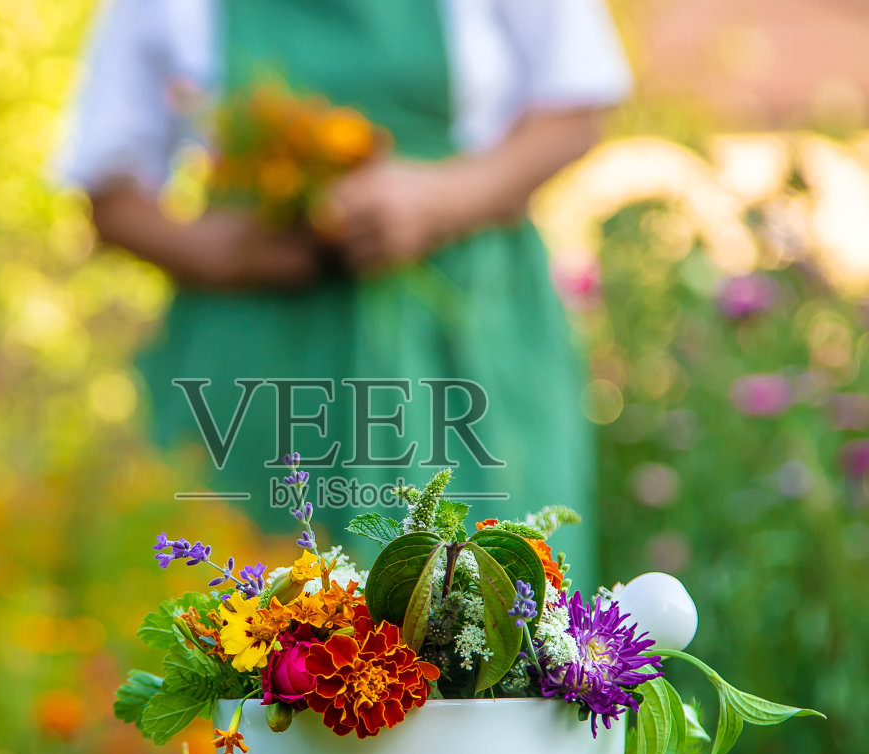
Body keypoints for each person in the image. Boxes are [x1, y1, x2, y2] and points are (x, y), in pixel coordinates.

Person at [52, 0, 634, 586]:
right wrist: (224, 250)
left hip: (462, 332)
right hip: (253, 345)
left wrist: (438, 201)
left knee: (489, 616)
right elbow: (109, 188)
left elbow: (575, 104)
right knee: (234, 619)